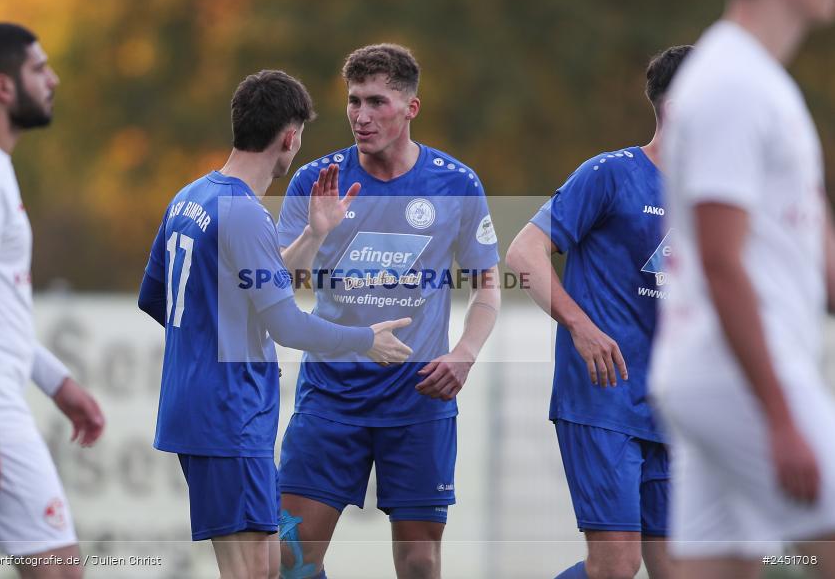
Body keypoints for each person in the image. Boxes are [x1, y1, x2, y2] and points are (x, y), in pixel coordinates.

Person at [137, 69, 413, 579]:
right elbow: (286, 323)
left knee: (269, 569)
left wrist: (313, 235)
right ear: (290, 137)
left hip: (211, 410)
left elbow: (156, 297)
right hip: (227, 414)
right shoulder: (243, 212)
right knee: (247, 572)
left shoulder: (193, 195)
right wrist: (365, 340)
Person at [275, 43, 501, 579]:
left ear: (410, 108)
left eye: (376, 101)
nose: (361, 115)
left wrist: (465, 352)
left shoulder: (456, 184)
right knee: (289, 560)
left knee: (420, 563)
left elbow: (487, 286)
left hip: (418, 397)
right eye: (353, 102)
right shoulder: (317, 180)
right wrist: (315, 231)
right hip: (332, 394)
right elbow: (278, 283)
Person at [649, 0, 835, 578]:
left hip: (714, 378)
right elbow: (720, 261)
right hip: (744, 379)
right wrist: (779, 414)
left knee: (723, 568)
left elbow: (805, 243)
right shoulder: (734, 84)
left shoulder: (759, 79)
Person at [505, 45, 691, 579]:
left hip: (670, 408)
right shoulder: (610, 174)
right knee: (615, 565)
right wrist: (581, 325)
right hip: (603, 399)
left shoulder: (707, 199)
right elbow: (524, 252)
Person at [0, 23, 105, 579]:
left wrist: (56, 380)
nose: (52, 79)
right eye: (39, 68)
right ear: (4, 87)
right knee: (60, 571)